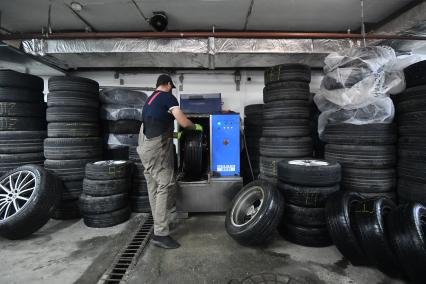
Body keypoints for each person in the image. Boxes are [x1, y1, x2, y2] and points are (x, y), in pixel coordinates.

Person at [137, 74, 202, 249]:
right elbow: (182, 120)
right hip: (155, 149)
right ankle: (160, 233)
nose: (172, 89)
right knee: (165, 184)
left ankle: (159, 223)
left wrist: (175, 135)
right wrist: (194, 126)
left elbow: (153, 126)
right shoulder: (167, 96)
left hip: (145, 148)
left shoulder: (150, 100)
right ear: (167, 84)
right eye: (171, 87)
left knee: (154, 186)